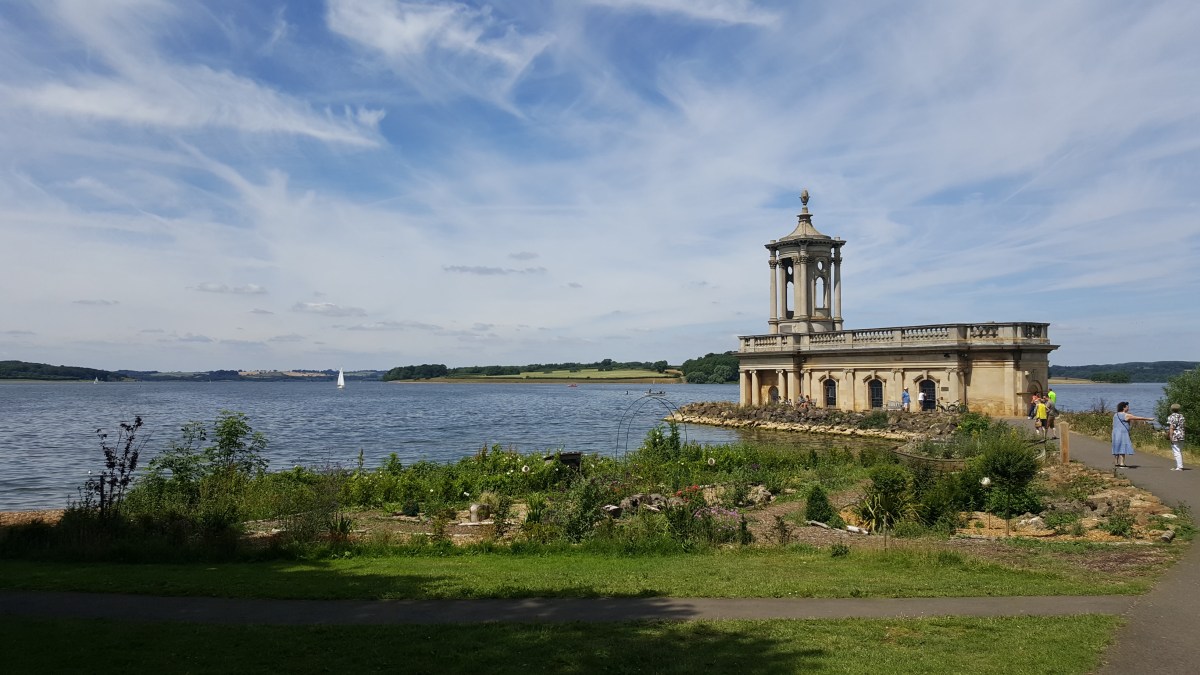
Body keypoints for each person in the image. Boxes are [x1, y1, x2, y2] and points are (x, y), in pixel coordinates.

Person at [1112, 401, 1153, 468]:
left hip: (1115, 432)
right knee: (1123, 446)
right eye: (1127, 407)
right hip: (1123, 433)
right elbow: (1138, 418)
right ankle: (1122, 463)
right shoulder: (1126, 415)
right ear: (1123, 407)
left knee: (1116, 446)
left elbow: (1113, 424)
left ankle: (1116, 462)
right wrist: (1149, 419)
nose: (1128, 408)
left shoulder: (1115, 415)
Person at [1168, 403, 1186, 471]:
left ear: (1171, 409)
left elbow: (1172, 427)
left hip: (1175, 434)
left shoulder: (1171, 417)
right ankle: (1178, 465)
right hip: (1181, 434)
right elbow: (1183, 426)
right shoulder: (1181, 416)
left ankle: (1179, 467)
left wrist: (1170, 436)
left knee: (1176, 451)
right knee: (1180, 450)